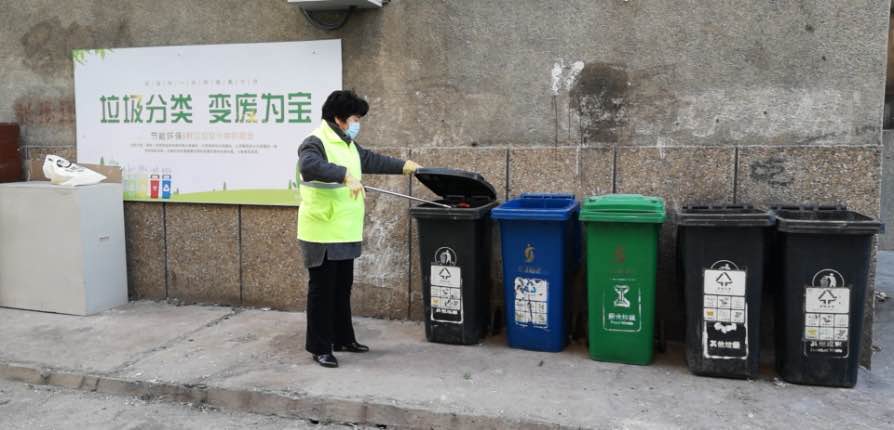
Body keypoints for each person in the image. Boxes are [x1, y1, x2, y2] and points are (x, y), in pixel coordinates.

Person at [297, 90, 421, 368]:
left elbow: (372, 160)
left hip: (344, 230)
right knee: (322, 291)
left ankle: (342, 338)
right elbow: (309, 166)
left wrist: (406, 167)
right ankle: (320, 347)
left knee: (341, 289)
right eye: (355, 118)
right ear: (338, 118)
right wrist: (343, 175)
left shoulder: (348, 143)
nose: (357, 124)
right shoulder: (315, 142)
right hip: (322, 231)